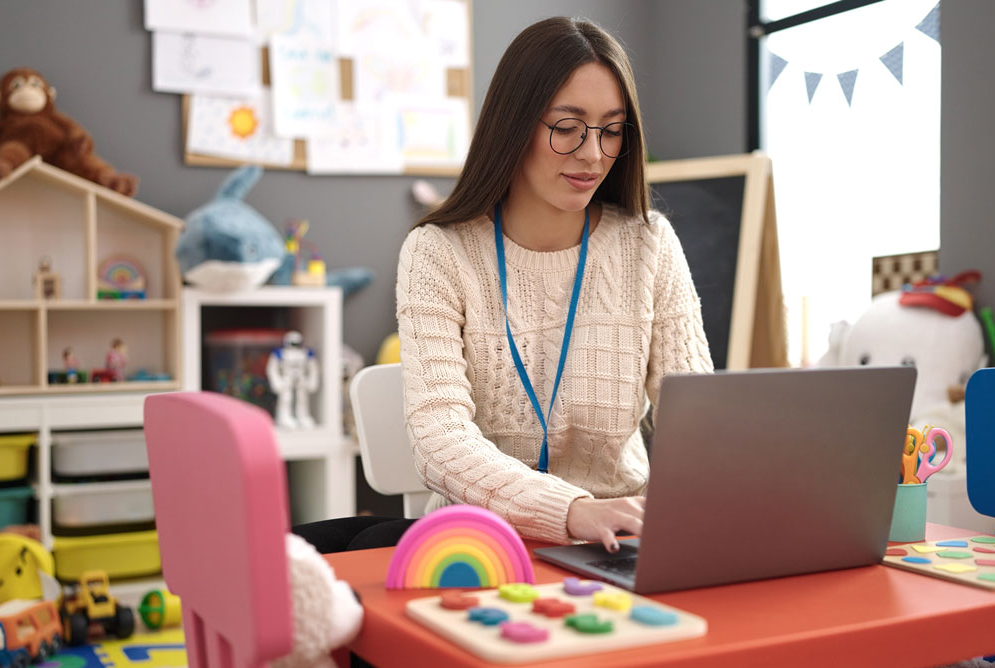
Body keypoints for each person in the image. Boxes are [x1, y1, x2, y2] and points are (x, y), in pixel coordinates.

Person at [294, 16, 712, 556]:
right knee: (315, 557)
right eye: (567, 127)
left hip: (621, 539)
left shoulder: (649, 244)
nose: (593, 154)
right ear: (515, 124)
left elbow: (697, 423)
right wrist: (571, 510)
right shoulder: (438, 252)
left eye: (611, 129)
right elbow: (440, 439)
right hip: (480, 542)